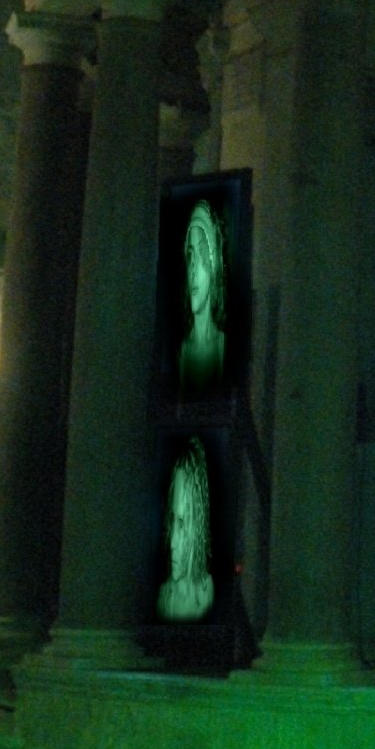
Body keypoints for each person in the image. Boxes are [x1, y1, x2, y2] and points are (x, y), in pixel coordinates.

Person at [157, 439, 215, 622]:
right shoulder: (164, 599)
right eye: (172, 520)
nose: (172, 542)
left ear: (198, 527)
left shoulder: (208, 593)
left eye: (182, 524)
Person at [177, 197, 226, 392]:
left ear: (213, 265)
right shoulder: (183, 350)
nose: (193, 271)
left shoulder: (223, 346)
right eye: (190, 256)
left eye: (201, 255)